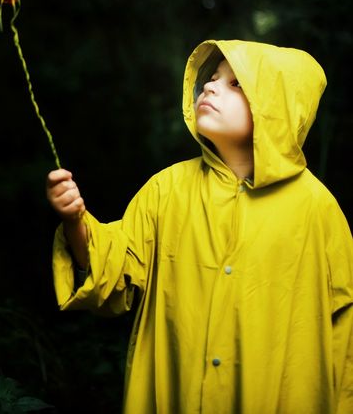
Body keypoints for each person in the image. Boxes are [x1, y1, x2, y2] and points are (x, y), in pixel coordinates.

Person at [46, 39, 353, 414]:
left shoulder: (317, 210)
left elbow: (344, 336)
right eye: (213, 78)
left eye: (235, 83)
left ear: (278, 108)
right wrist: (75, 220)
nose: (210, 86)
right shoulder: (167, 188)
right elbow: (114, 278)